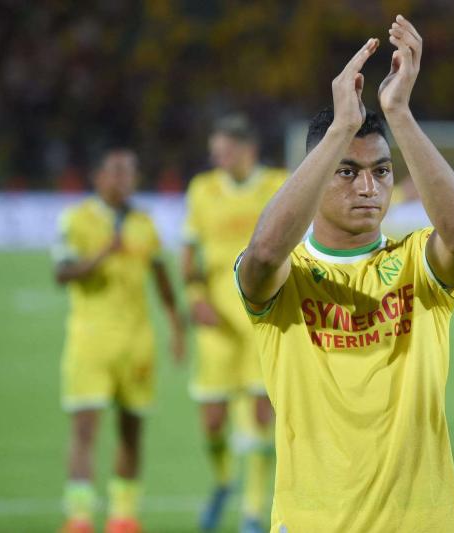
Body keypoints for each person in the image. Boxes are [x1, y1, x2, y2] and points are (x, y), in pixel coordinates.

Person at [234, 15, 454, 532]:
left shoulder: (416, 263)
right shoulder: (288, 277)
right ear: (319, 172)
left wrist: (399, 114)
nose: (368, 188)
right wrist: (340, 129)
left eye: (381, 171)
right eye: (347, 171)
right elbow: (262, 256)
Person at [53, 148, 185, 533]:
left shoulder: (144, 222)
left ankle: (123, 517)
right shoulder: (76, 219)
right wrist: (101, 255)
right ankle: (79, 517)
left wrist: (176, 326)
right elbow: (62, 273)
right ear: (97, 176)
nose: (124, 179)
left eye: (130, 172)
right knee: (84, 428)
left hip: (137, 343)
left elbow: (161, 278)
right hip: (90, 341)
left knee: (131, 430)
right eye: (116, 172)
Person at [181, 115, 286, 532]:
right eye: (215, 152)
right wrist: (195, 299)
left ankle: (252, 513)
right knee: (213, 421)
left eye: (225, 151)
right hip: (217, 326)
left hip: (262, 319)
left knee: (261, 417)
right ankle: (225, 480)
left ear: (248, 150)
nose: (218, 159)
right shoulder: (202, 190)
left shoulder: (277, 184)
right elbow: (188, 255)